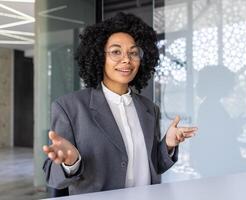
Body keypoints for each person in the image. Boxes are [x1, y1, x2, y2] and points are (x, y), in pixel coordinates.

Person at [42, 12, 197, 196]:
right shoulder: (70, 107)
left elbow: (154, 165)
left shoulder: (149, 109)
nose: (126, 59)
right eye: (116, 52)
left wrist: (168, 145)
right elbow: (53, 177)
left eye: (133, 53)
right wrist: (71, 162)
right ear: (100, 57)